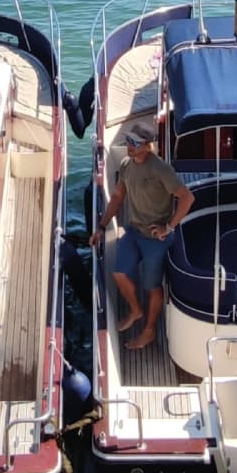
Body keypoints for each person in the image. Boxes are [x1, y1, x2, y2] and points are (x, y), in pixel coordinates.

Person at [87, 122, 194, 350]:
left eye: (135, 143)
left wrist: (169, 227)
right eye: (128, 140)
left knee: (152, 287)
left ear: (147, 145)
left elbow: (187, 198)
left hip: (156, 239)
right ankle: (136, 310)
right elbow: (117, 197)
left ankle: (149, 332)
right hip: (134, 231)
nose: (129, 146)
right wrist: (101, 227)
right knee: (119, 273)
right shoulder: (126, 165)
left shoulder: (161, 169)